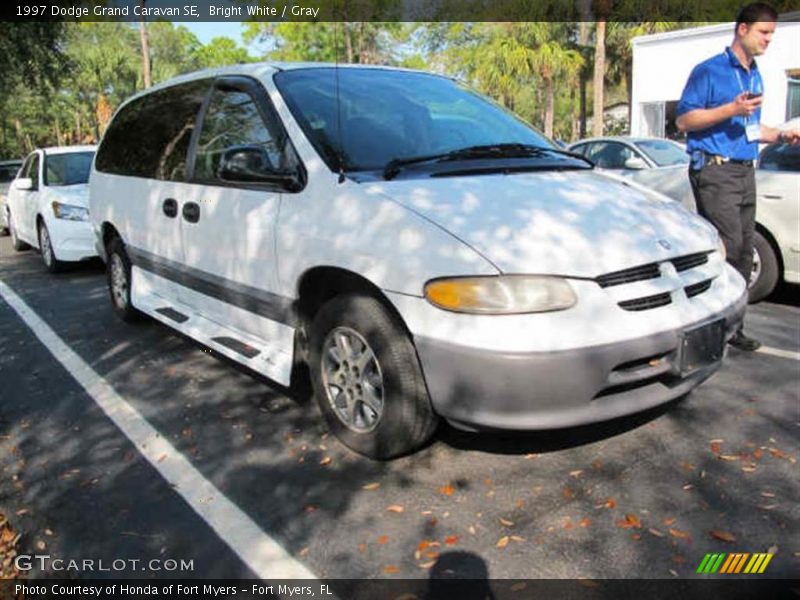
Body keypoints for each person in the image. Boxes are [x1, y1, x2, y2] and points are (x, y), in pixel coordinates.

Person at [676, 2, 800, 351]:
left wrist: (779, 135)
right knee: (727, 250)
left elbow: (748, 129)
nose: (768, 40)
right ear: (742, 29)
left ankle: (733, 328)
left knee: (745, 253)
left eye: (772, 34)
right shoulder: (710, 71)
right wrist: (730, 108)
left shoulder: (753, 74)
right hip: (715, 171)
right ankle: (707, 329)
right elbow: (684, 122)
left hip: (745, 170)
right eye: (763, 32)